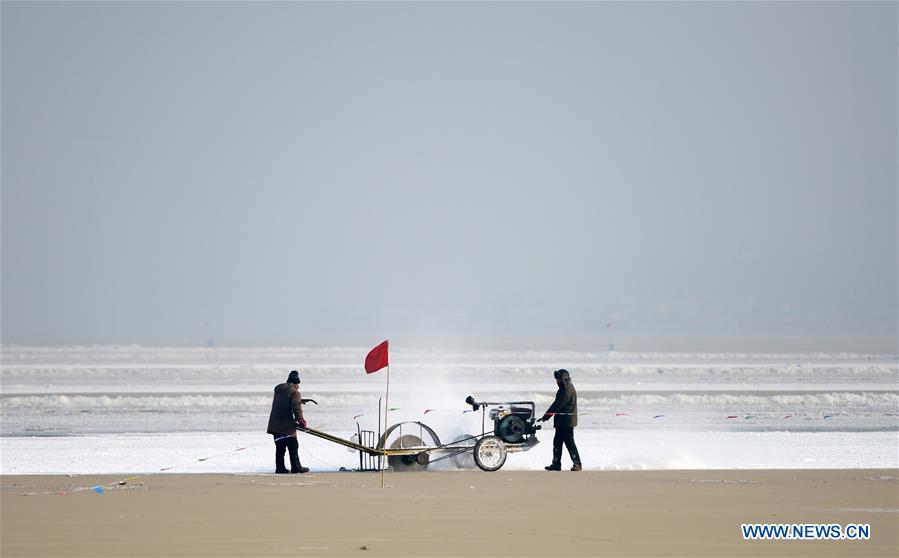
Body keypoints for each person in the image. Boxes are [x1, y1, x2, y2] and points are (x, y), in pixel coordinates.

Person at [266, 370, 314, 474]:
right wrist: (301, 421)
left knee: (280, 448)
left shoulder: (279, 390)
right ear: (295, 383)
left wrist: (300, 400)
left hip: (275, 425)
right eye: (298, 385)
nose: (298, 387)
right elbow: (296, 408)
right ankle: (296, 467)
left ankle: (280, 468)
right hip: (287, 426)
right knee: (293, 446)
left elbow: (284, 401)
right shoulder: (295, 392)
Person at [539, 368, 582, 471]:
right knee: (557, 442)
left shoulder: (566, 391)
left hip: (567, 422)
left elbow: (557, 405)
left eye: (559, 379)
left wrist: (546, 416)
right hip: (561, 422)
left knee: (569, 443)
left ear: (564, 379)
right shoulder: (566, 388)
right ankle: (556, 464)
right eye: (556, 380)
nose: (557, 382)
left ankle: (577, 464)